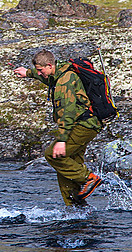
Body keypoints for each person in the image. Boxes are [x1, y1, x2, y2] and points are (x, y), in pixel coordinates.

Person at [13, 50, 103, 207]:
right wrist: (27, 73)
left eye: (41, 70)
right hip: (84, 123)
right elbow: (47, 78)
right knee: (67, 165)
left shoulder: (64, 83)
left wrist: (61, 140)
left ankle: (89, 178)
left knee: (54, 155)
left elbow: (67, 113)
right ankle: (76, 206)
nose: (40, 73)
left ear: (49, 65)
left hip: (84, 125)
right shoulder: (60, 71)